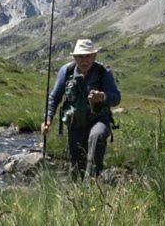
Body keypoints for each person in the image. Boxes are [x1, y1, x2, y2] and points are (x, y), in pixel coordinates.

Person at [41, 39, 121, 179]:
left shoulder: (103, 72)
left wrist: (102, 96)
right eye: (80, 56)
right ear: (74, 57)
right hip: (75, 124)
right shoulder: (66, 71)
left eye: (88, 56)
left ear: (94, 56)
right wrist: (48, 119)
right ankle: (77, 192)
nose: (84, 60)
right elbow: (54, 98)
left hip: (99, 120)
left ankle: (91, 183)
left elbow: (116, 98)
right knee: (76, 166)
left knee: (96, 137)